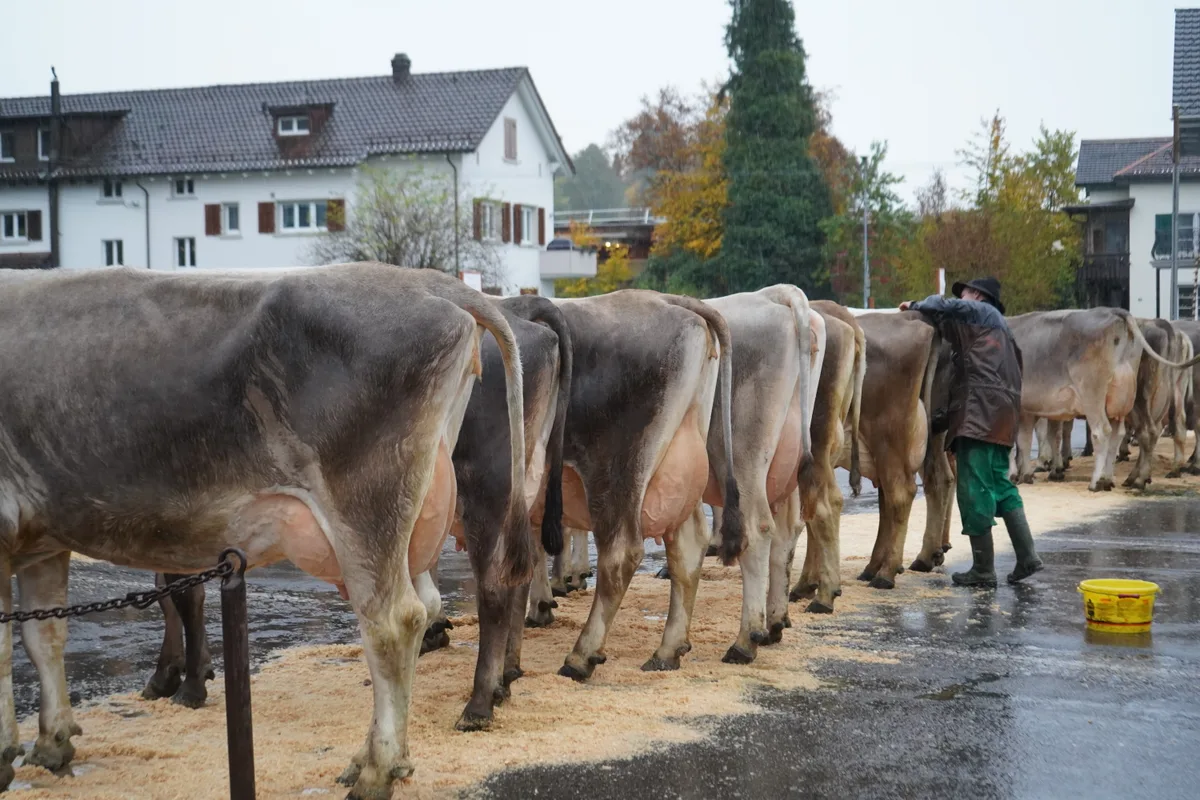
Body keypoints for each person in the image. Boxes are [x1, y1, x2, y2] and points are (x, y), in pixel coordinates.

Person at [899, 277, 1043, 587]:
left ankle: (983, 569)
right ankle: (1028, 556)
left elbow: (944, 304)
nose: (961, 297)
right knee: (1000, 486)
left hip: (979, 412)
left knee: (973, 489)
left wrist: (914, 307)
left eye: (964, 292)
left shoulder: (980, 312)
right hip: (1003, 415)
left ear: (977, 295)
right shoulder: (1003, 331)